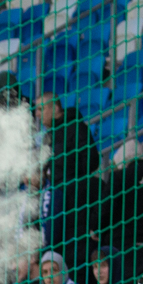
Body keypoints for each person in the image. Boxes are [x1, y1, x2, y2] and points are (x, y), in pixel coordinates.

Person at [36, 93, 101, 258]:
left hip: (76, 205)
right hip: (57, 203)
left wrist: (71, 181)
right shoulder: (48, 137)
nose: (37, 114)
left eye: (41, 109)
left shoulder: (75, 127)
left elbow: (92, 160)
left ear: (55, 108)